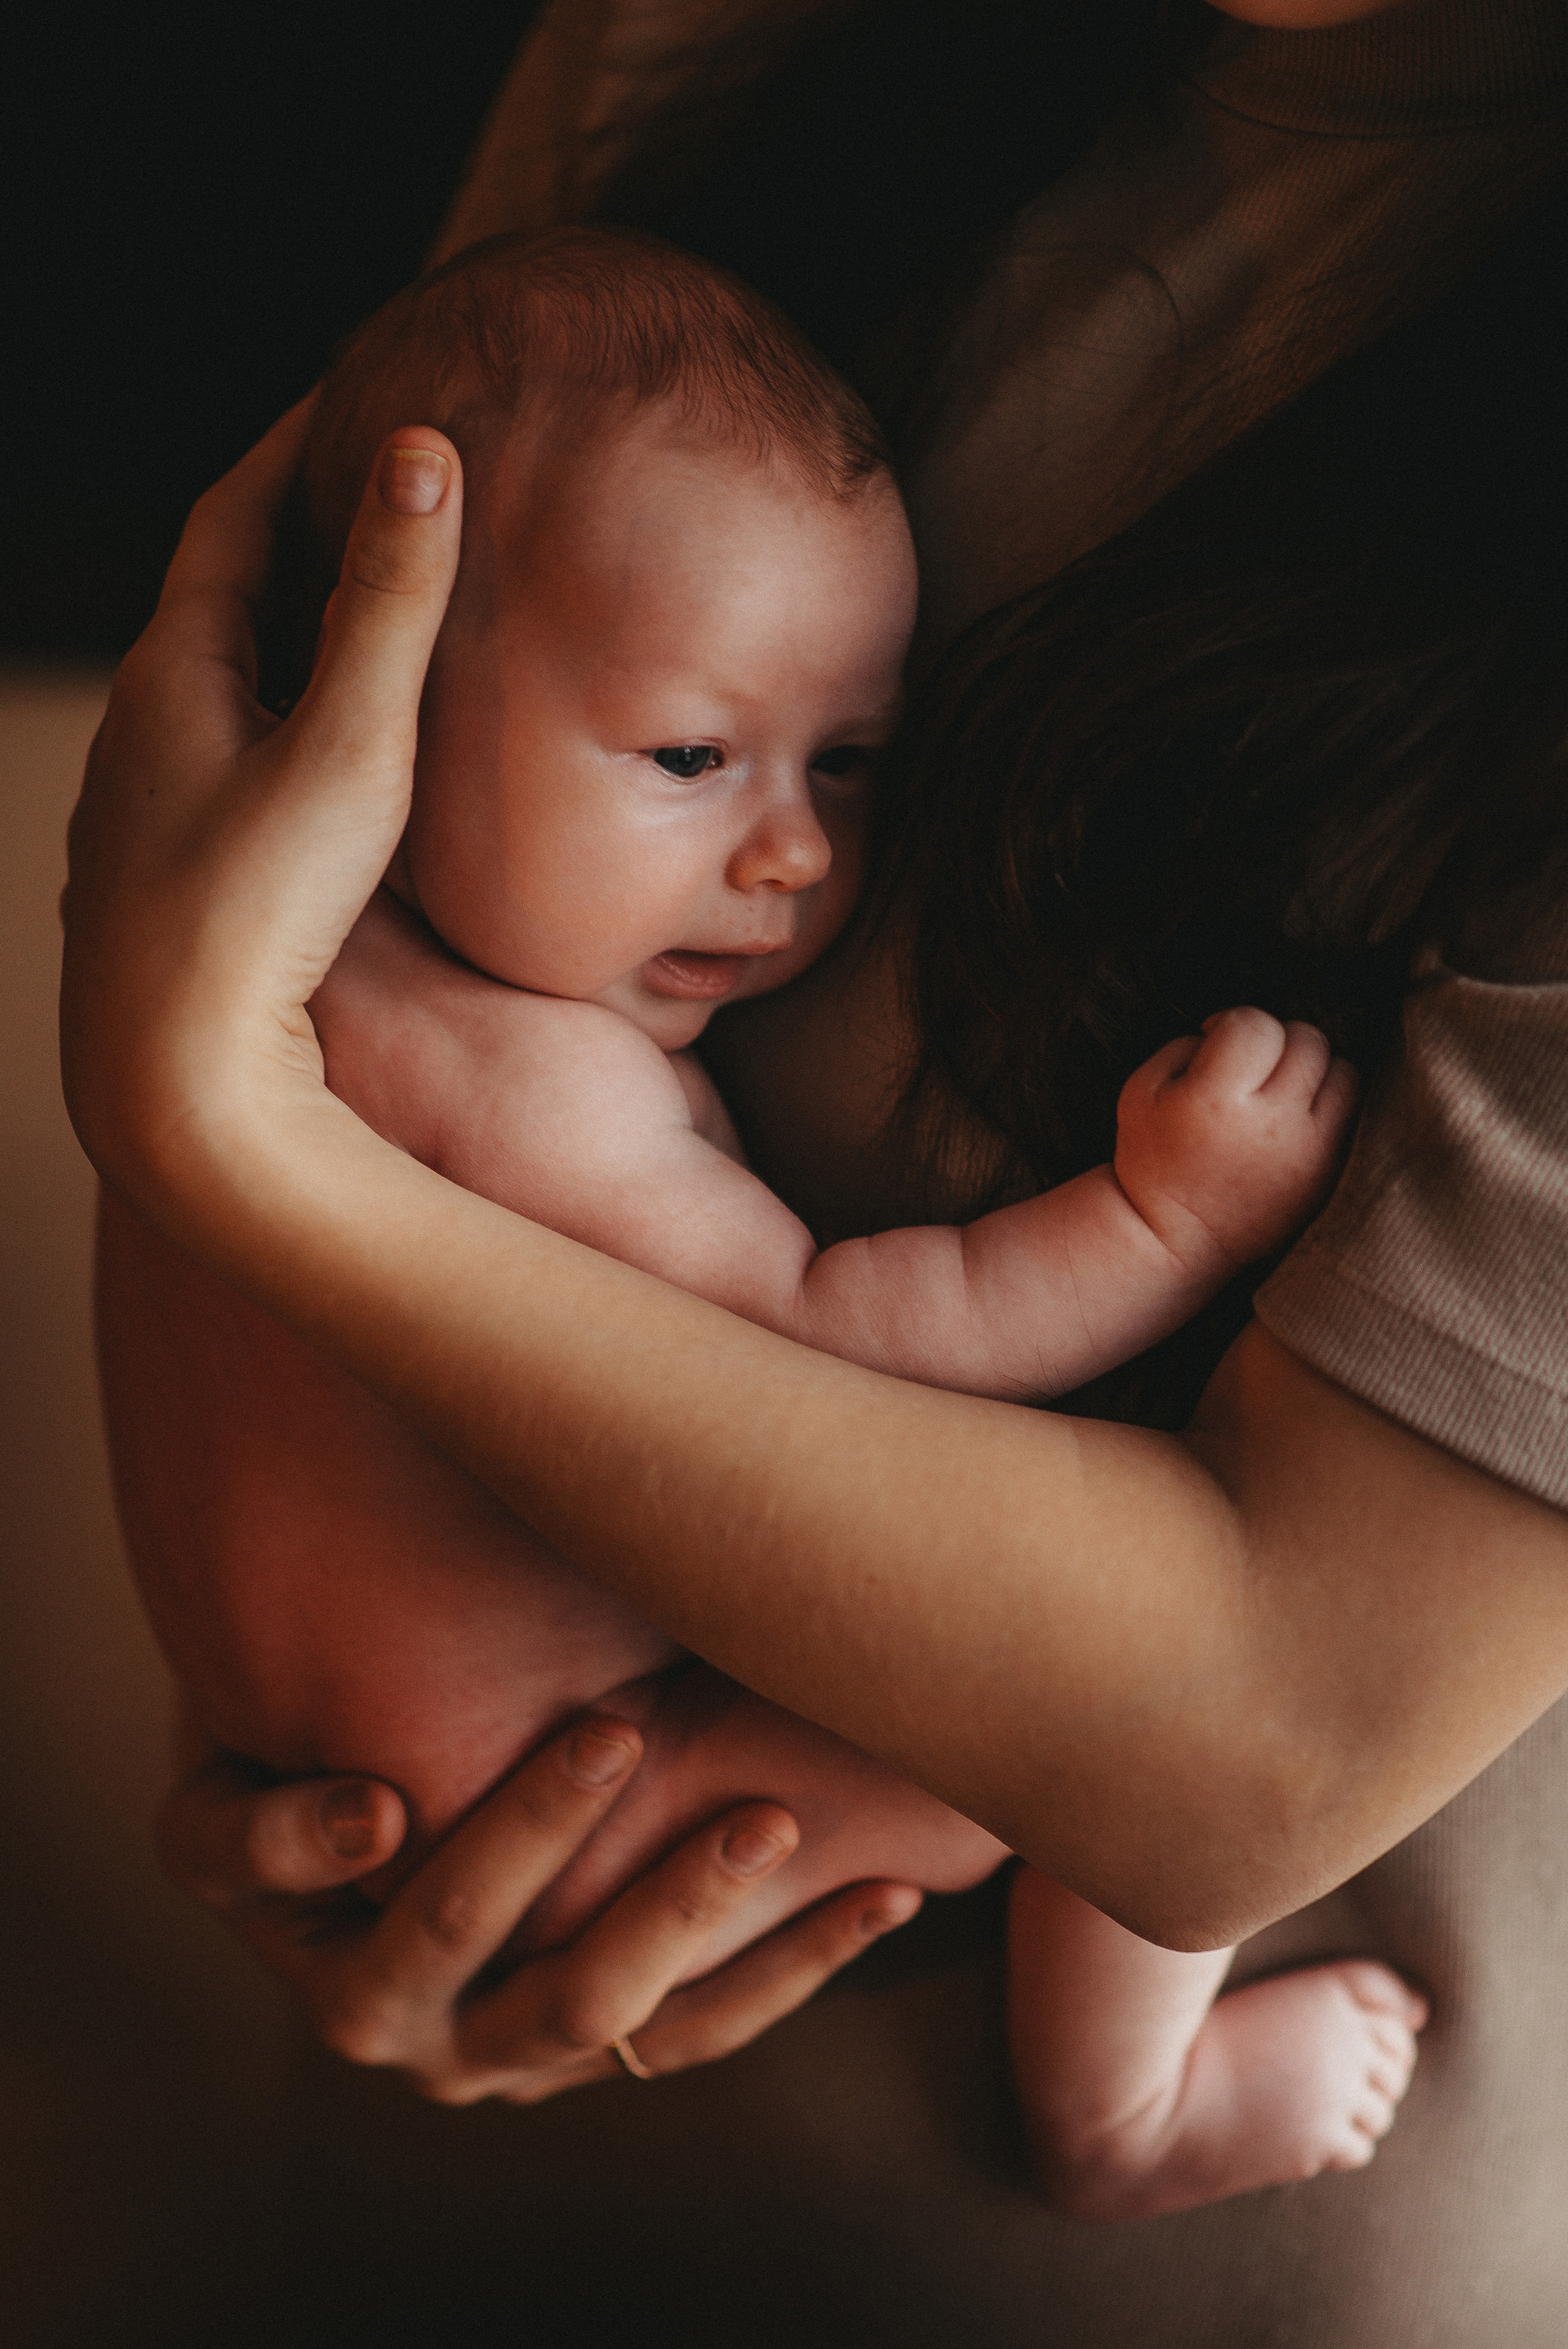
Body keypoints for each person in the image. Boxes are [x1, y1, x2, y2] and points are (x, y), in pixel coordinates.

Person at [60, 0, 1568, 2341]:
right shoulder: (681, 90)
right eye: (693, 754)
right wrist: (1158, 1220)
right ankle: (1128, 2103)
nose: (786, 858)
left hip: (1125, 2290)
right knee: (987, 1774)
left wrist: (207, 1116)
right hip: (447, 2150)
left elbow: (1241, 1746)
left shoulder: (340, 1003)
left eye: (854, 762)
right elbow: (828, 1338)